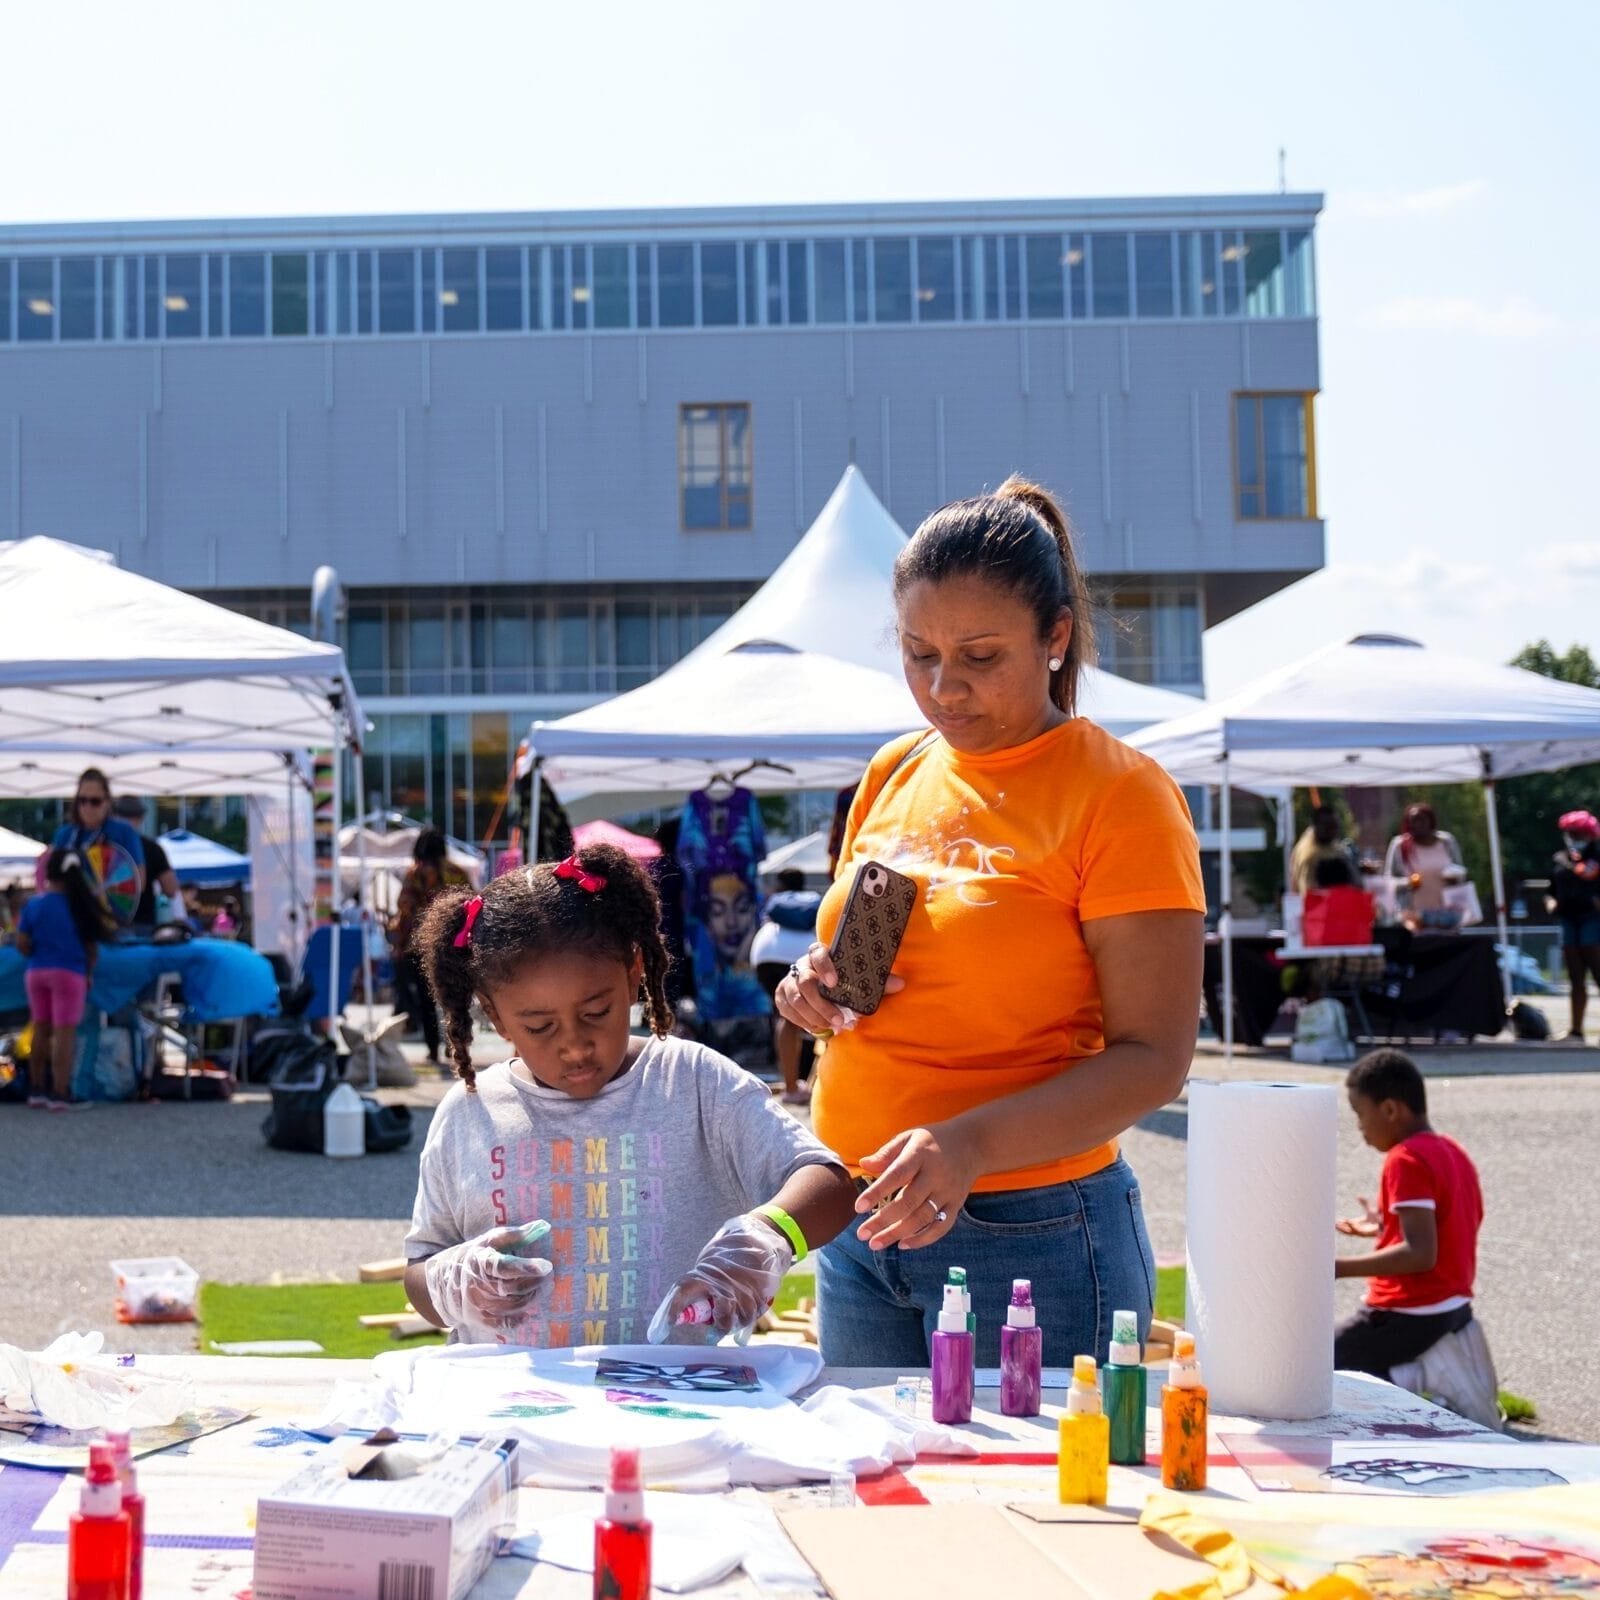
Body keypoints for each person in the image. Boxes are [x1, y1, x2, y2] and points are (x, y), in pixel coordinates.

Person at [777, 476, 1205, 1368]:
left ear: (1054, 638)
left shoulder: (1120, 795)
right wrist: (815, 988)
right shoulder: (897, 768)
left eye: (979, 657)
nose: (944, 688)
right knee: (882, 1498)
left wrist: (969, 1144)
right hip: (858, 1217)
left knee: (1046, 1500)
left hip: (1030, 1230)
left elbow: (1154, 1059)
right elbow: (875, 964)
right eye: (918, 653)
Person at [401, 843, 857, 1348]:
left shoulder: (692, 1082)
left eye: (597, 1012)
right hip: (518, 1410)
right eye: (539, 1026)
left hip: (672, 1405)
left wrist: (767, 1238)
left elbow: (831, 1184)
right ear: (495, 1014)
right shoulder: (468, 1113)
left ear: (634, 970)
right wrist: (450, 1282)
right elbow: (419, 1271)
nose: (573, 1045)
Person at [1334, 1048, 1484, 1381]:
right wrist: (1386, 1226)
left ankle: (1403, 1383)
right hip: (1454, 1305)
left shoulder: (1406, 1158)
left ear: (1389, 1109)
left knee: (1314, 1362)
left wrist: (1336, 1268)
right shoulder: (1451, 1150)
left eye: (1360, 1114)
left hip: (1411, 1312)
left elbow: (1420, 1255)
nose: (1359, 1127)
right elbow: (1449, 1222)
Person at [18, 849, 108, 1111]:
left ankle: (36, 1090)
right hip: (70, 973)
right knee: (64, 1034)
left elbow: (23, 943)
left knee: (40, 1029)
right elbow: (92, 949)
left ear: (49, 873)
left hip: (37, 971)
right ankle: (60, 1092)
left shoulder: (35, 904)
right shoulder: (82, 906)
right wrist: (87, 973)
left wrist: (38, 951)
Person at [390, 826, 470, 1063]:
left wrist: (399, 943)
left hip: (421, 947)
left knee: (426, 999)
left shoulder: (415, 874)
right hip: (453, 944)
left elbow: (405, 911)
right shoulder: (457, 872)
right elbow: (470, 904)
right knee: (454, 999)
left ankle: (433, 1048)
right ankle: (457, 1047)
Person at [751, 867, 822, 1104]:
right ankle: (798, 1087)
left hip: (764, 954)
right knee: (806, 1017)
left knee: (785, 1015)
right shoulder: (813, 903)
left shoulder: (777, 905)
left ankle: (791, 1084)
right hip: (802, 954)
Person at [49, 768, 145, 932]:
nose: (87, 806)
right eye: (82, 800)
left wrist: (104, 888)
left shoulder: (123, 832)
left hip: (112, 923)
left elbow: (139, 881)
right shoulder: (64, 835)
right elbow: (52, 882)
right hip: (70, 922)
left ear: (107, 801)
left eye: (95, 801)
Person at [1548, 809, 1600, 1041]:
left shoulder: (1597, 859)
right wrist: (1551, 902)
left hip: (1592, 919)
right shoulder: (1560, 859)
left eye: (1578, 834)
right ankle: (1576, 1030)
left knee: (1596, 967)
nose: (1573, 838)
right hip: (1568, 919)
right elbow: (1550, 891)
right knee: (1575, 976)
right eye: (1570, 833)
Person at [1382, 803, 1465, 926]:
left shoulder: (1447, 842)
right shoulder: (1400, 845)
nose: (1417, 825)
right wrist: (1408, 883)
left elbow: (1461, 872)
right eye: (1413, 821)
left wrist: (1455, 878)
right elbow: (1387, 881)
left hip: (1448, 914)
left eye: (1421, 820)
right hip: (1414, 917)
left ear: (1431, 821)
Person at [113, 796, 180, 933]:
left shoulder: (105, 845)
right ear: (141, 818)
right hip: (143, 923)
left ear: (113, 817)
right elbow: (171, 889)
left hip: (107, 922)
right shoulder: (152, 848)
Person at [1289, 804, 1361, 895]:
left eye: (1335, 826)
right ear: (1316, 826)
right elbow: (1309, 892)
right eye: (1328, 827)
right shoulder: (1309, 855)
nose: (1333, 831)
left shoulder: (1336, 848)